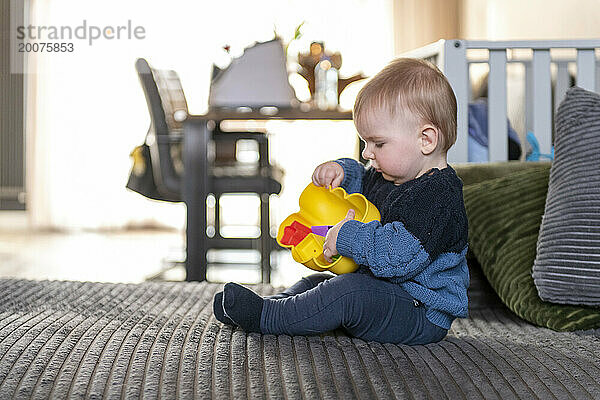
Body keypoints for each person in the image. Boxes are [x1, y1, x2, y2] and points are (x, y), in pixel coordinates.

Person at [213, 58, 469, 345]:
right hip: (386, 292)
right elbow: (362, 187)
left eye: (378, 144)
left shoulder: (439, 195)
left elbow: (399, 257)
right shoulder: (390, 175)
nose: (367, 153)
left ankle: (269, 318)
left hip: (419, 310)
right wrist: (342, 173)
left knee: (347, 293)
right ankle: (273, 305)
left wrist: (347, 236)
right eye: (364, 143)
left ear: (426, 139)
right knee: (320, 284)